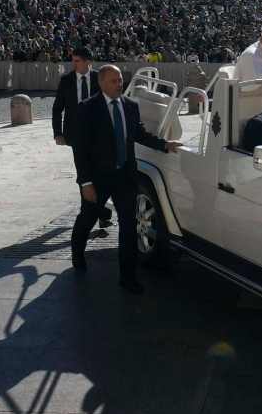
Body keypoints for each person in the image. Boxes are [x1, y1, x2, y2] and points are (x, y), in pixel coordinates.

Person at [71, 65, 183, 294]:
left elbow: (139, 134)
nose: (119, 84)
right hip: (98, 178)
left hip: (125, 176)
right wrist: (85, 182)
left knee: (129, 227)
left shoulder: (131, 106)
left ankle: (128, 277)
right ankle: (77, 254)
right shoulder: (87, 109)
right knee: (88, 217)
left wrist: (164, 145)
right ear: (101, 83)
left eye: (120, 80)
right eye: (113, 81)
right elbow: (80, 150)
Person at [52, 47, 113, 228]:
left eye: (77, 60)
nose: (74, 64)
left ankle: (101, 212)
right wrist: (58, 133)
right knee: (84, 174)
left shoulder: (99, 79)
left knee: (100, 174)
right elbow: (57, 108)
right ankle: (89, 212)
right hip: (76, 135)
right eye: (73, 60)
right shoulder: (66, 80)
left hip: (99, 135)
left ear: (88, 62)